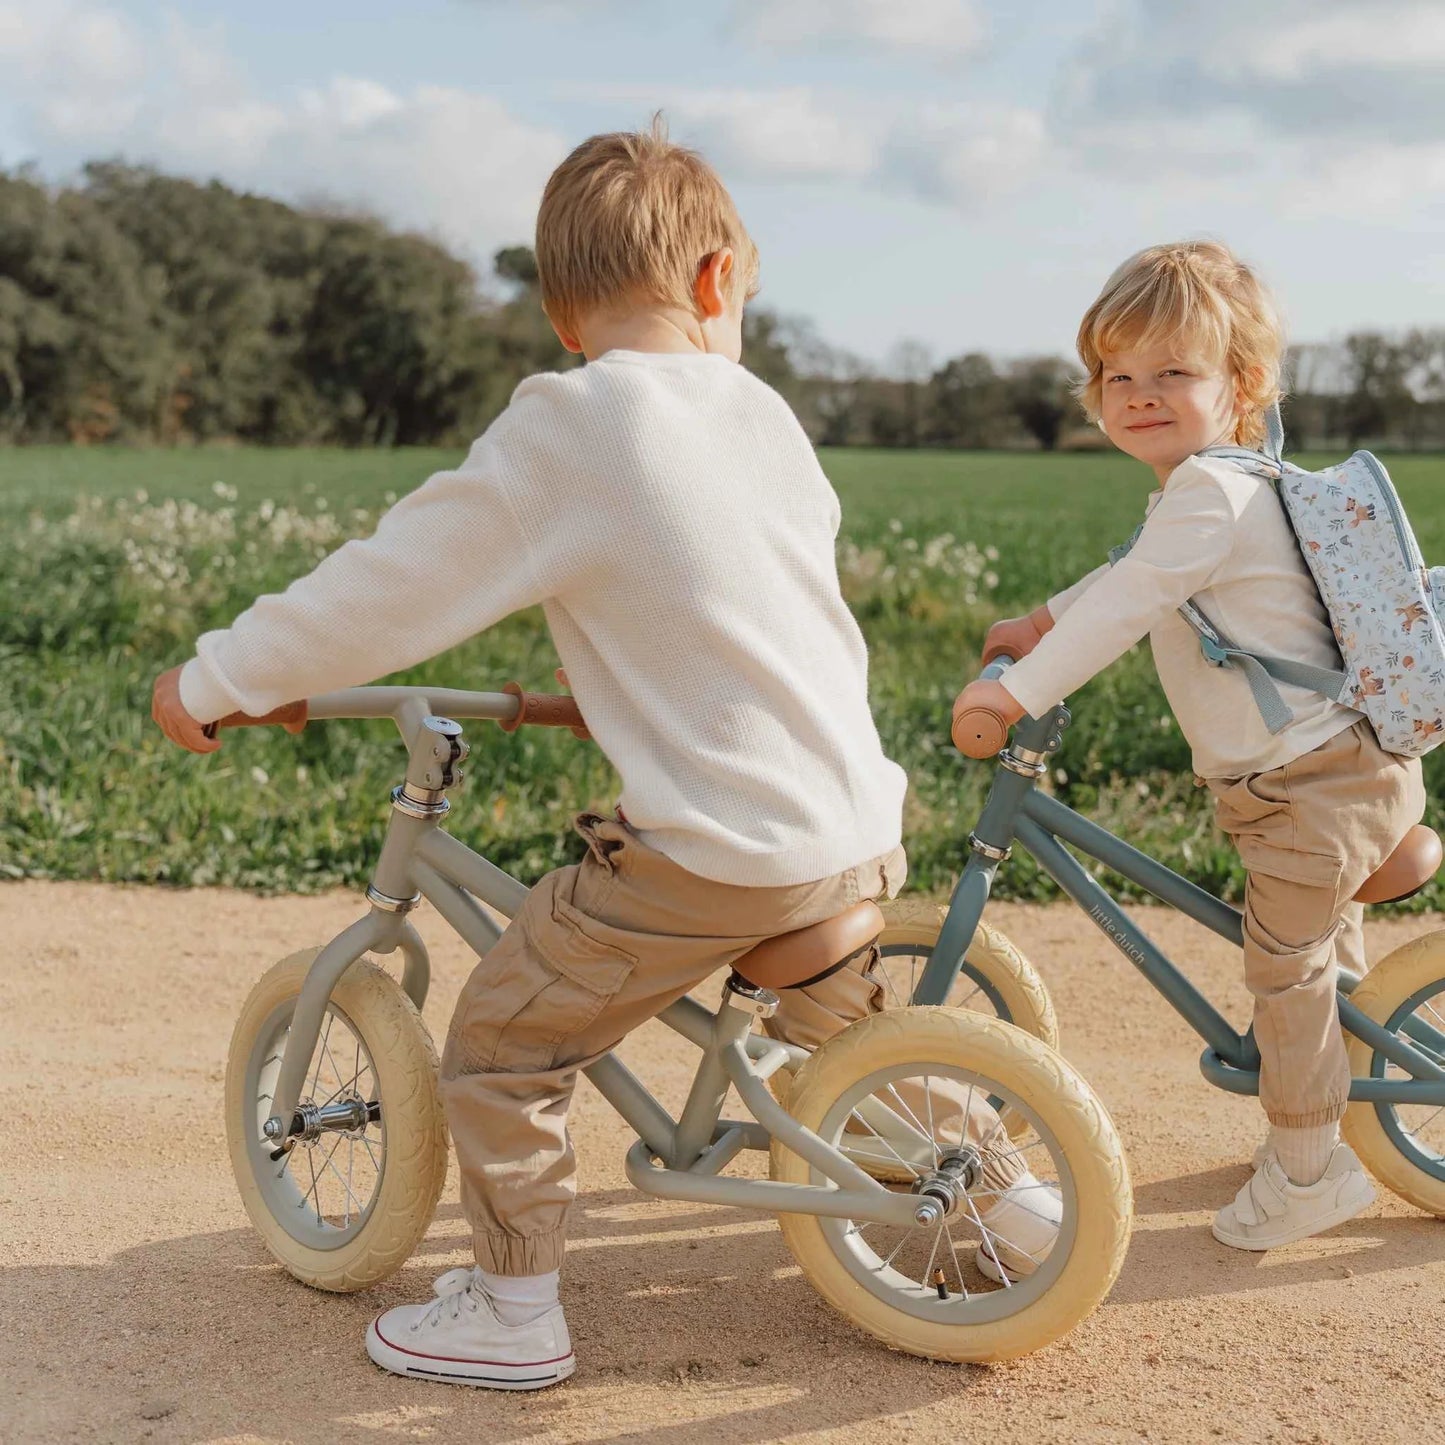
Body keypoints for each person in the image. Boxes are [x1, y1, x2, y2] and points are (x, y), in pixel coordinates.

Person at [152, 120, 1042, 1390]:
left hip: (721, 850)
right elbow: (739, 609)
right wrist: (616, 681)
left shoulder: (569, 425)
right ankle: (1020, 1219)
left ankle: (511, 1308)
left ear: (559, 316)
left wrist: (222, 676)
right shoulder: (761, 416)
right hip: (848, 829)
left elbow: (389, 584)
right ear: (717, 281)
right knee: (840, 1042)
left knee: (504, 1041)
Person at [956, 240, 1426, 1250]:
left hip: (1314, 785)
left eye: (1171, 370)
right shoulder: (1214, 484)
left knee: (1283, 968)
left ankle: (1308, 1167)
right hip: (1313, 774)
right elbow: (1130, 572)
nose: (1137, 394)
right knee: (1317, 952)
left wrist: (1016, 692)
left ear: (1240, 385)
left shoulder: (1210, 491)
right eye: (1115, 373)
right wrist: (1037, 622)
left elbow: (1130, 599)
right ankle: (1326, 1095)